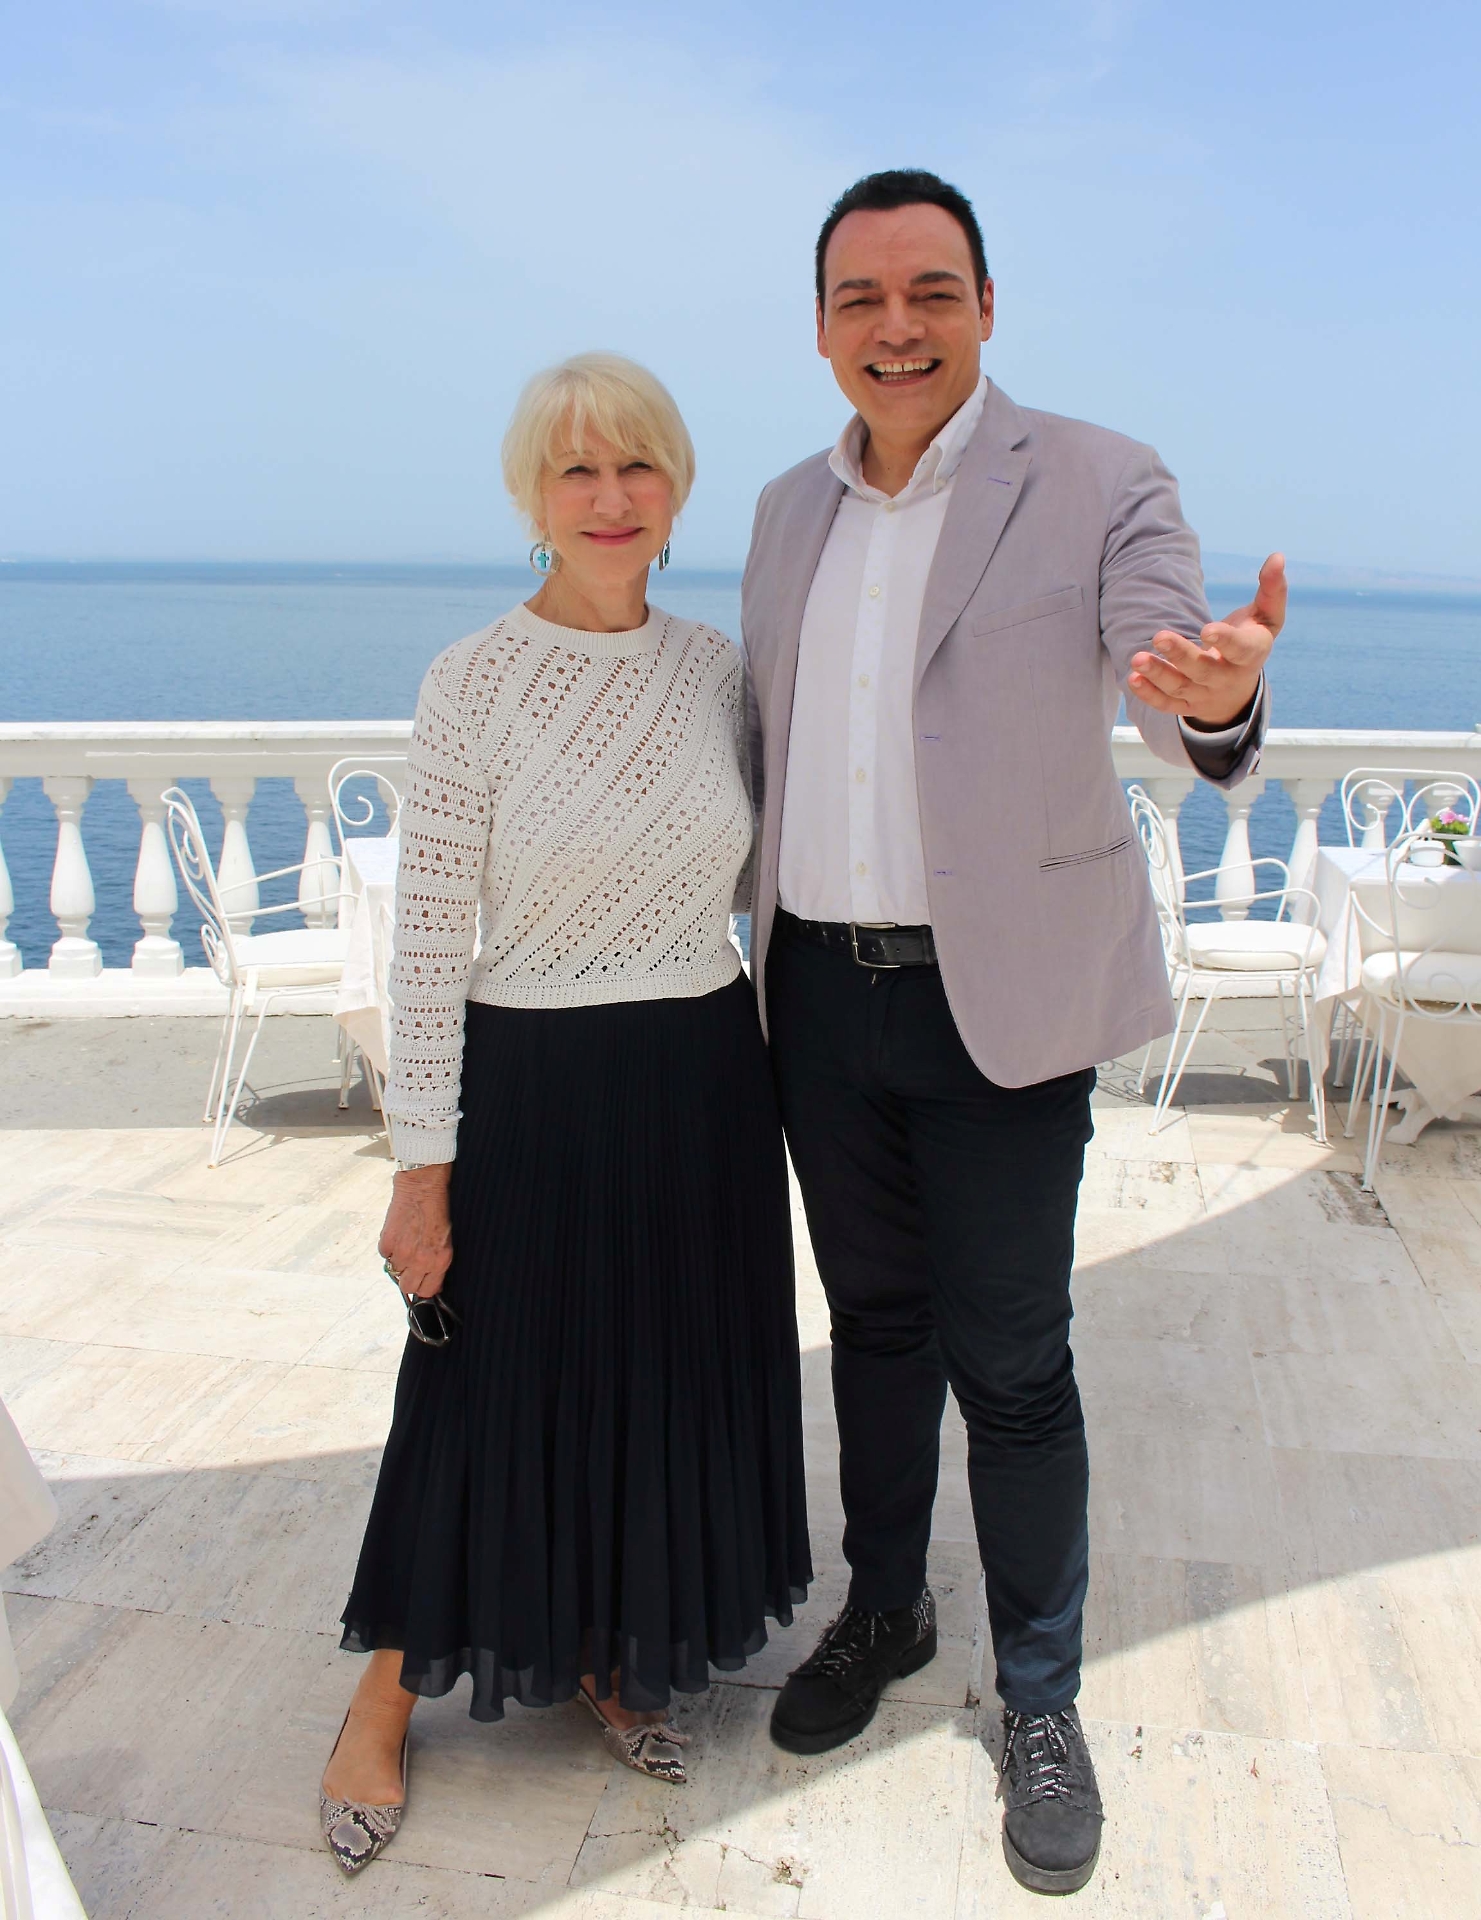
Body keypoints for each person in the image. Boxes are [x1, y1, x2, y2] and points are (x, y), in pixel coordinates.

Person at [741, 170, 1277, 1896]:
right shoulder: (783, 512)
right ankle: (884, 1607)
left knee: (1013, 1363)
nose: (894, 327)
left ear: (984, 306)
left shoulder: (1101, 477)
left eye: (929, 292)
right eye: (859, 297)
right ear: (819, 323)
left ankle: (1040, 1697)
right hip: (819, 1000)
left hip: (1002, 1012)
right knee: (872, 1335)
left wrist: (1214, 697)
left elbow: (1166, 656)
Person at [320, 352, 811, 1876]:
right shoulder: (471, 679)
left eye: (636, 466)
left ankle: (615, 1650)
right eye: (576, 471)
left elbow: (763, 875)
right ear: (532, 497)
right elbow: (426, 946)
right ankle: (383, 1703)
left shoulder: (717, 670)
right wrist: (420, 1172)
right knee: (485, 1395)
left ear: (676, 490)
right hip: (531, 1084)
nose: (609, 498)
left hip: (703, 1079)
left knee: (667, 1379)